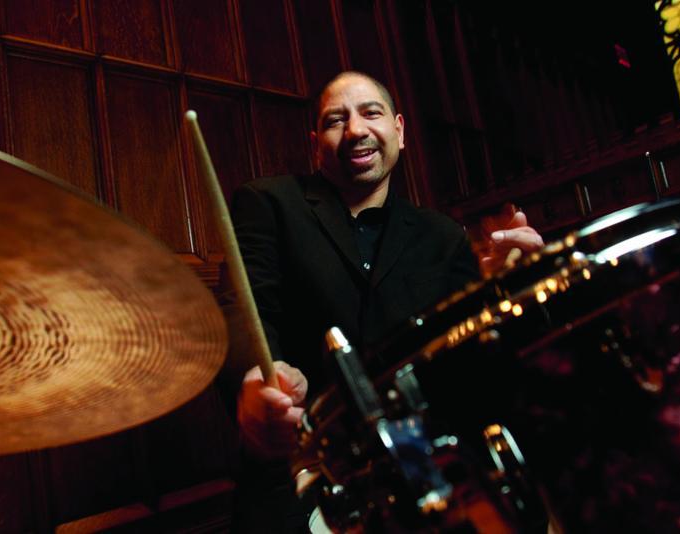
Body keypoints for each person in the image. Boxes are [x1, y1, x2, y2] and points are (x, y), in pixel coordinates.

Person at [229, 71, 543, 531]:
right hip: (307, 472)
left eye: (370, 113)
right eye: (336, 120)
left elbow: (467, 367)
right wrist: (254, 379)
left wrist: (500, 295)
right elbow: (245, 308)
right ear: (316, 143)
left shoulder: (443, 236)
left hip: (420, 469)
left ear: (399, 130)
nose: (355, 129)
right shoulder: (269, 203)